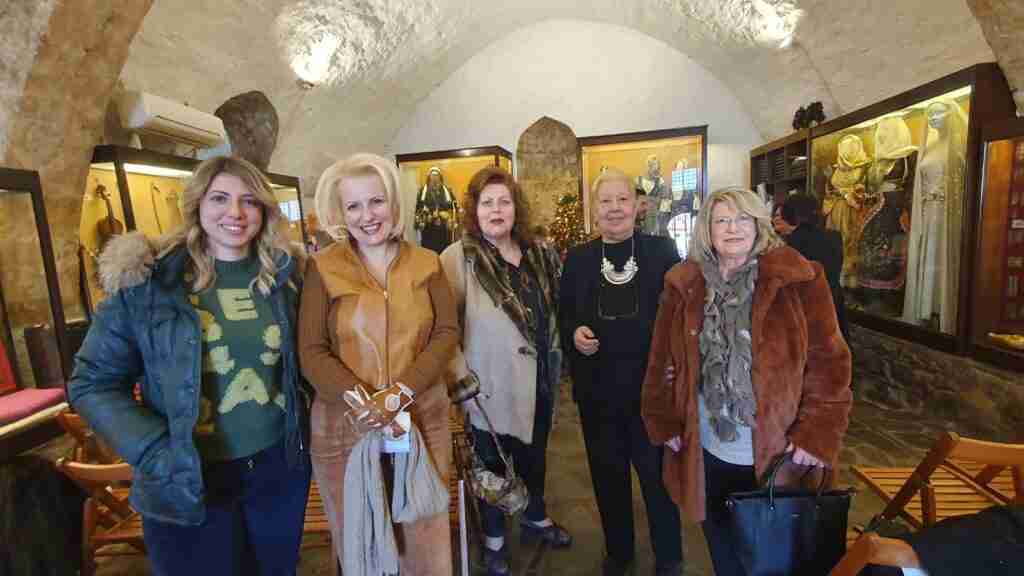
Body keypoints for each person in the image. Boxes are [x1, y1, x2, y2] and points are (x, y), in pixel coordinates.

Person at [68, 155, 311, 575]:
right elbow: (92, 382)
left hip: (276, 473)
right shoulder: (150, 283)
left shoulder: (286, 278)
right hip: (185, 476)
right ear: (197, 203)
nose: (235, 213)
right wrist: (155, 450)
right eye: (220, 198)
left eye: (249, 200)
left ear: (264, 210)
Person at [641, 187, 852, 576]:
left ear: (759, 225)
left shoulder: (799, 279)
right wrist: (664, 417)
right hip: (706, 448)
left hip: (780, 455)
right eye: (721, 220)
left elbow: (830, 364)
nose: (732, 228)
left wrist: (818, 431)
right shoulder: (685, 285)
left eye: (742, 219)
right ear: (707, 230)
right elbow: (660, 360)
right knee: (724, 552)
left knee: (777, 559)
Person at [298, 152, 458, 575]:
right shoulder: (322, 268)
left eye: (376, 201)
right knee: (361, 541)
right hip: (344, 427)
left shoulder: (428, 263)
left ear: (393, 202)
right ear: (340, 212)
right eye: (354, 206)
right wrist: (364, 402)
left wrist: (400, 393)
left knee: (424, 538)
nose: (367, 216)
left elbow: (446, 333)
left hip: (421, 420)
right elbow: (311, 351)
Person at [440, 167, 569, 575]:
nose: (496, 210)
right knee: (492, 468)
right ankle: (494, 542)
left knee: (534, 458)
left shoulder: (538, 254)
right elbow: (443, 329)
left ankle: (535, 517)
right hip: (488, 386)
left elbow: (556, 310)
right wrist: (461, 384)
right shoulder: (458, 258)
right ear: (474, 210)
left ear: (516, 208)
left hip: (538, 381)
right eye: (487, 203)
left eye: (504, 202)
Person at [560, 167, 684, 576]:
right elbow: (565, 315)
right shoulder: (578, 259)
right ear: (593, 209)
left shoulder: (662, 251)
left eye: (622, 199)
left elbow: (680, 317)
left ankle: (669, 555)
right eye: (605, 201)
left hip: (651, 392)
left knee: (657, 478)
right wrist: (574, 333)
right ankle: (619, 551)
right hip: (598, 392)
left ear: (637, 205)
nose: (614, 208)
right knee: (607, 476)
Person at [778, 194, 849, 342]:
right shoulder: (834, 236)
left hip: (807, 311)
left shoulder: (791, 244)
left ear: (789, 215)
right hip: (834, 302)